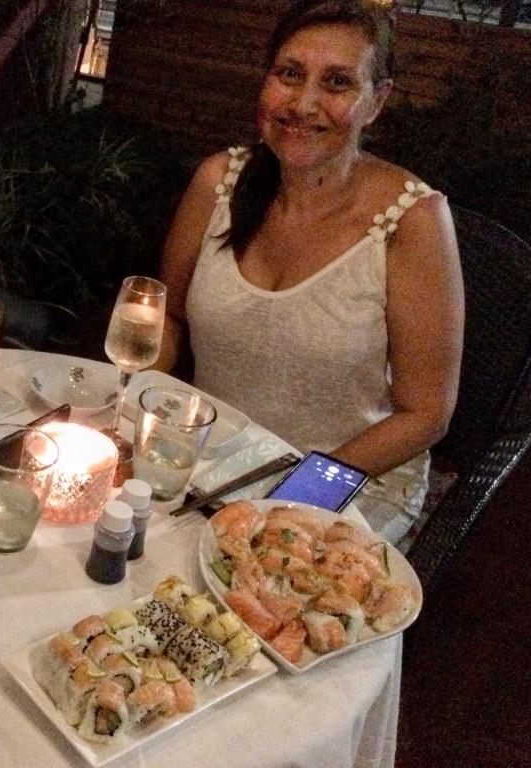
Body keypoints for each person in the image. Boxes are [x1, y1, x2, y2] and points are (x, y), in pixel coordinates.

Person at [157, 0, 464, 543]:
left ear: (377, 101)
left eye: (338, 82)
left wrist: (297, 492)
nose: (303, 104)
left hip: (349, 482)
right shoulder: (219, 182)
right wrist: (135, 404)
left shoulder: (413, 220)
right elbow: (169, 315)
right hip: (214, 460)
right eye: (290, 74)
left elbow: (425, 415)